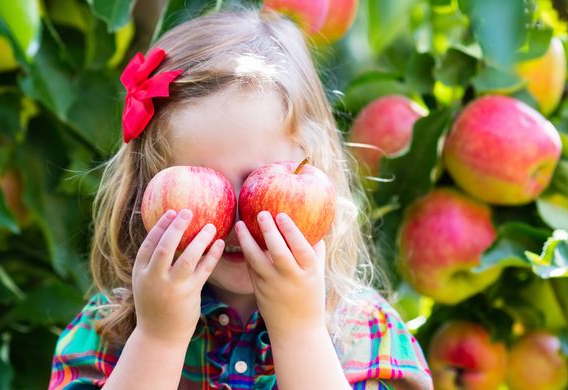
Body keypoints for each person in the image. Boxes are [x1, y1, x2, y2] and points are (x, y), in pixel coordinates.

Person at [48, 8, 432, 390]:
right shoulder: (111, 329)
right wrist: (157, 340)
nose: (234, 221)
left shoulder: (365, 334)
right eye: (205, 185)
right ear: (145, 192)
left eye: (258, 181)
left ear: (316, 175)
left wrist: (300, 334)